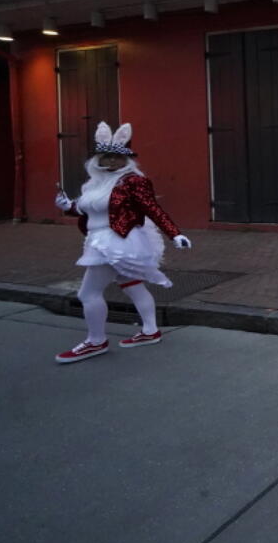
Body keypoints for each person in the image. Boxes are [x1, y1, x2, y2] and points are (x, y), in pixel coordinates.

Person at [53, 121, 191, 364]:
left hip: (115, 242)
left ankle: (96, 341)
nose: (113, 161)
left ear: (126, 159)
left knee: (88, 293)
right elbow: (91, 209)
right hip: (98, 239)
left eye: (118, 157)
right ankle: (150, 331)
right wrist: (69, 206)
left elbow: (153, 209)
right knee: (132, 284)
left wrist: (174, 233)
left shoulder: (132, 182)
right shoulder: (95, 183)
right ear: (98, 160)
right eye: (107, 157)